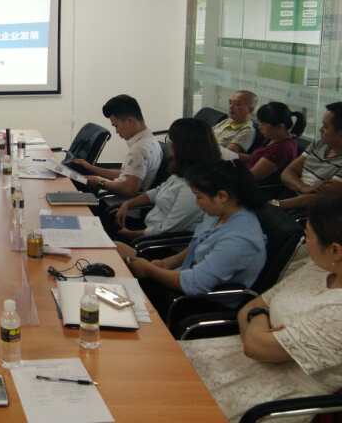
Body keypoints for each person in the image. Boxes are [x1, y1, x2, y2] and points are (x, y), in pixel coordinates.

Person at [180, 196, 342, 423]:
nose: (305, 244)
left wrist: (259, 323)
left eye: (308, 236)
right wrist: (261, 320)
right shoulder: (318, 268)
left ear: (335, 250)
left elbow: (257, 346)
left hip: (274, 397)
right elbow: (252, 306)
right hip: (237, 355)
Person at [117, 160, 267, 320]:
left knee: (123, 286)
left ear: (222, 196)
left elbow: (194, 284)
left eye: (199, 197)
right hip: (185, 279)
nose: (196, 203)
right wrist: (166, 263)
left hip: (199, 303)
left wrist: (149, 270)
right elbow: (197, 245)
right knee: (118, 251)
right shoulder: (220, 213)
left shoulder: (240, 240)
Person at [114, 118, 221, 241]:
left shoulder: (194, 189)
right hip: (148, 231)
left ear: (184, 147)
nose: (169, 145)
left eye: (172, 141)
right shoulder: (183, 173)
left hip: (158, 243)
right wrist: (128, 204)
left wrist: (129, 234)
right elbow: (157, 191)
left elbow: (168, 229)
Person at [74, 94, 163, 197]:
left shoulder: (139, 149)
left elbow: (128, 189)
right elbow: (126, 174)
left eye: (116, 125)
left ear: (129, 121)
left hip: (119, 201)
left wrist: (99, 182)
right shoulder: (150, 140)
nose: (116, 131)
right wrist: (91, 168)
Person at [277, 101, 342, 210]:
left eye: (326, 127)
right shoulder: (319, 143)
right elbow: (287, 173)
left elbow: (318, 198)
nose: (321, 129)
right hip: (287, 197)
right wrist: (303, 187)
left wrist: (276, 204)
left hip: (308, 212)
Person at [235, 102, 305, 182]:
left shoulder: (281, 149)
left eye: (263, 124)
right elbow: (255, 158)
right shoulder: (273, 138)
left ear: (280, 126)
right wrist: (231, 155)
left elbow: (251, 177)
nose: (259, 126)